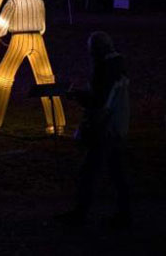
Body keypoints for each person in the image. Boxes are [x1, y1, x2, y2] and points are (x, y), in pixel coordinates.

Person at [57, 31, 131, 228]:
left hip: (105, 127)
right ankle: (124, 213)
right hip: (118, 125)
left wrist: (79, 97)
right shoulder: (118, 66)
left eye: (91, 50)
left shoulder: (104, 70)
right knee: (117, 171)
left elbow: (99, 100)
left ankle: (81, 212)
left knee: (89, 171)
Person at [0, 0, 65, 134]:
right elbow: (43, 28)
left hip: (18, 40)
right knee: (46, 79)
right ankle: (56, 124)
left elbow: (0, 29)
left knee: (2, 78)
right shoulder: (39, 2)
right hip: (38, 40)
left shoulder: (12, 3)